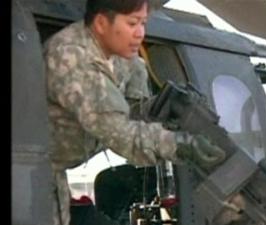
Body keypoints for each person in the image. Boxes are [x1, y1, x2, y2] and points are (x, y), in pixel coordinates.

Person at [43, 0, 225, 224]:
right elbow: (118, 131)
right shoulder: (71, 57)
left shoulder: (125, 60)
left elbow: (129, 113)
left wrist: (165, 108)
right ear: (101, 23)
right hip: (31, 174)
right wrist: (181, 145)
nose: (139, 33)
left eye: (143, 23)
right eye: (131, 24)